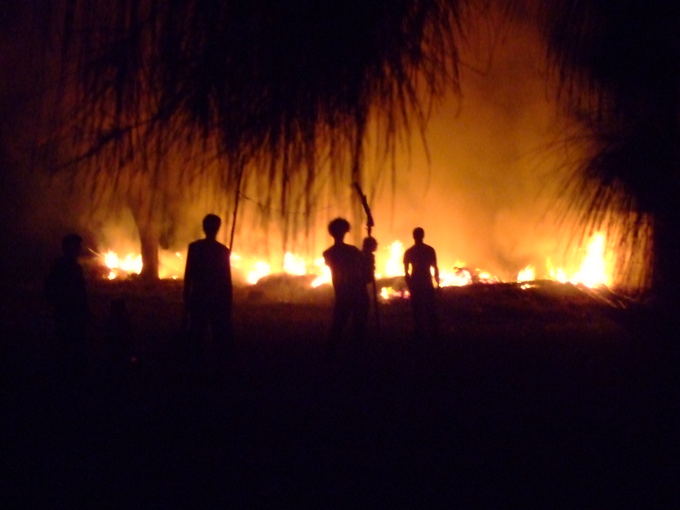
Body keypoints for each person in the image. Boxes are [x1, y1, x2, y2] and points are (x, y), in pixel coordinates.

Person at [183, 214, 233, 357]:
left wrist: (186, 297)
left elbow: (189, 275)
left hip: (198, 296)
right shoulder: (222, 251)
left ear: (204, 227)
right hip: (216, 298)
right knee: (217, 333)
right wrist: (228, 301)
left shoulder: (194, 248)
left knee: (196, 332)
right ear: (218, 228)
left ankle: (196, 362)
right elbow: (226, 279)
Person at [323, 218, 369, 353]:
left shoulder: (328, 253)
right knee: (359, 326)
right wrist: (367, 253)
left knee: (338, 324)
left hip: (342, 292)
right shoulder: (353, 251)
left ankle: (331, 352)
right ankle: (357, 353)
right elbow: (364, 270)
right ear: (345, 232)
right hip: (357, 292)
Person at [45, 233, 89, 374]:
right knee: (67, 344)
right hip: (67, 312)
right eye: (76, 246)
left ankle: (70, 371)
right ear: (68, 248)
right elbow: (52, 288)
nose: (79, 249)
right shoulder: (63, 267)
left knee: (72, 345)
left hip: (72, 312)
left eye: (79, 246)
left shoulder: (72, 266)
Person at [403, 227, 439, 339]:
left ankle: (419, 332)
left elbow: (406, 272)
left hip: (416, 282)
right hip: (426, 281)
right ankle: (433, 332)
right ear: (423, 236)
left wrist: (409, 283)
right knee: (429, 307)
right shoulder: (429, 250)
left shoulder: (409, 252)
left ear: (414, 236)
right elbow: (435, 268)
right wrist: (437, 283)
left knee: (417, 308)